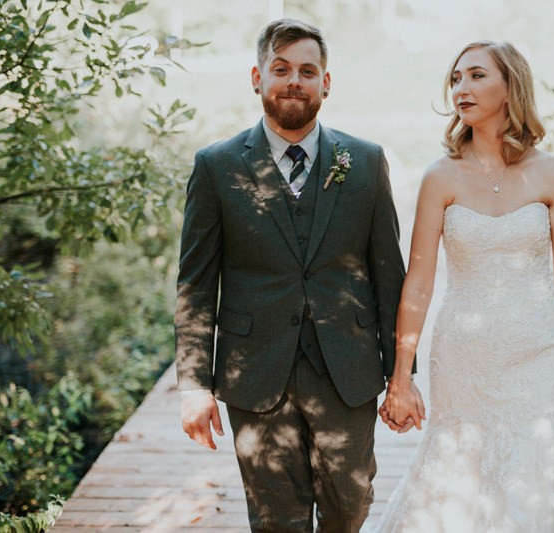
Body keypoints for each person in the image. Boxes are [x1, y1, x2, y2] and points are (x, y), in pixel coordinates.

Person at [174, 19, 411, 533]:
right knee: (275, 518)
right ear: (256, 77)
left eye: (307, 70)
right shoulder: (216, 166)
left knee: (351, 507)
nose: (294, 81)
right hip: (254, 374)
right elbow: (195, 284)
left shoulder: (364, 161)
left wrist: (400, 377)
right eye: (280, 69)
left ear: (326, 82)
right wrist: (193, 383)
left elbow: (389, 275)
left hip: (346, 371)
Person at [375, 41, 554, 532]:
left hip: (541, 355)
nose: (462, 88)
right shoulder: (440, 176)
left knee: (539, 474)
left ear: (510, 86)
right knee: (460, 477)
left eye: (477, 76)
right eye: (456, 79)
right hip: (464, 358)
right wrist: (401, 374)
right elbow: (418, 283)